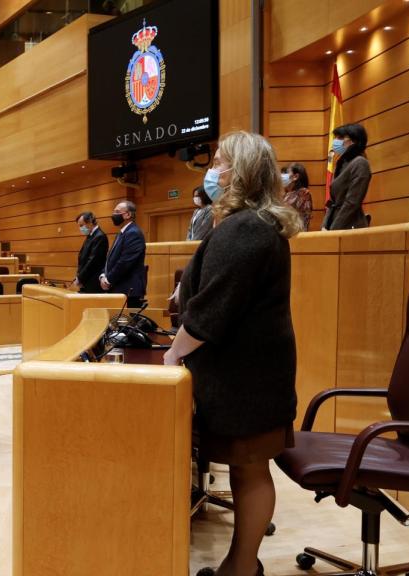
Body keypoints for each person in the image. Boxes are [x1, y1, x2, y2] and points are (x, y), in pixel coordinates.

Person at [164, 131, 301, 576]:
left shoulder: (247, 229)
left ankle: (241, 569)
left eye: (220, 161)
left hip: (248, 380)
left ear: (240, 171)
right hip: (251, 374)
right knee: (248, 470)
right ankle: (242, 566)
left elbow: (212, 312)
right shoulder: (251, 223)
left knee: (251, 470)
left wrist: (172, 355)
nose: (211, 170)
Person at [323, 123, 371, 230]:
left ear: (354, 140)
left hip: (350, 225)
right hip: (334, 223)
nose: (336, 141)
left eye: (340, 137)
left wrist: (334, 229)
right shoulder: (342, 163)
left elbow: (352, 203)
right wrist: (325, 225)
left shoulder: (360, 163)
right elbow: (332, 202)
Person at [99, 201, 147, 305]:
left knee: (127, 321)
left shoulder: (133, 233)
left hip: (128, 289)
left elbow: (125, 262)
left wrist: (108, 280)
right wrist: (103, 275)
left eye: (117, 212)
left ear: (128, 214)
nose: (113, 215)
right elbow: (110, 259)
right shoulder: (122, 233)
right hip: (119, 288)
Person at [71, 212, 108, 293]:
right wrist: (79, 277)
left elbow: (93, 261)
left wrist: (80, 278)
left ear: (90, 222)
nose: (80, 228)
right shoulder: (90, 236)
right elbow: (83, 258)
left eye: (81, 225)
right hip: (86, 281)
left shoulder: (99, 236)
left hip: (93, 283)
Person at [281, 163, 313, 230]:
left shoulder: (303, 193)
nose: (282, 176)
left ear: (295, 177)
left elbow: (282, 211)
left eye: (286, 173)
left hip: (297, 236)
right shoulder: (287, 194)